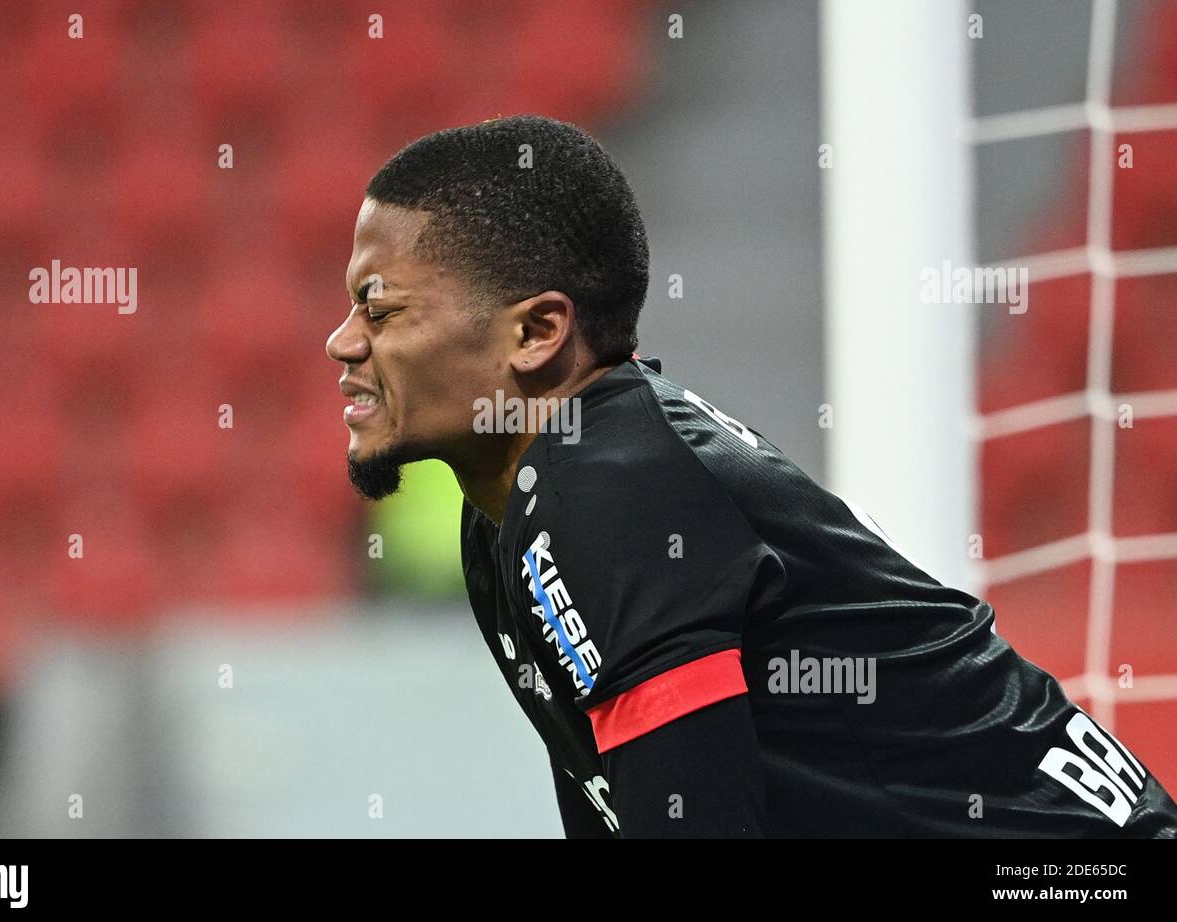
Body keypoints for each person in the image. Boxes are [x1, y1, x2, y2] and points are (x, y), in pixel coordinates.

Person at [325, 114, 1177, 837]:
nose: (344, 341)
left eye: (381, 307)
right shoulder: (514, 512)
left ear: (537, 333)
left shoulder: (610, 491)